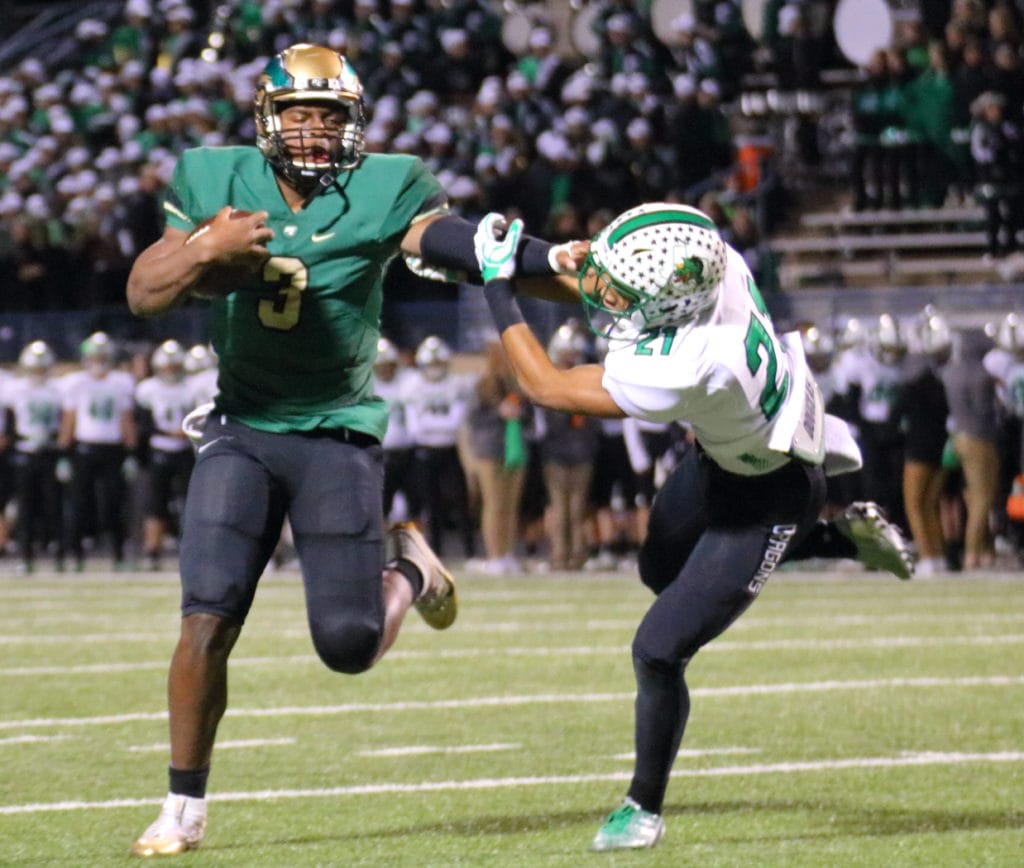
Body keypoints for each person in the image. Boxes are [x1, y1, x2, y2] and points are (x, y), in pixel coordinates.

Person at [124, 43, 576, 858]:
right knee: (206, 616)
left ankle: (411, 569)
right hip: (242, 427)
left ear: (353, 123)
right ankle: (182, 808)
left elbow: (465, 248)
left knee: (349, 645)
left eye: (329, 114)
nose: (312, 129)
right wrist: (201, 252)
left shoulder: (388, 185)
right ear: (266, 117)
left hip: (336, 430)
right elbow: (143, 291)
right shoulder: (212, 176)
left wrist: (560, 263)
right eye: (297, 111)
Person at [471, 202, 915, 851]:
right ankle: (836, 536)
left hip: (773, 495)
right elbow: (609, 284)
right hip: (723, 462)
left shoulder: (687, 364)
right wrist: (549, 257)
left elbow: (548, 386)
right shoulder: (716, 268)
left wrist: (495, 285)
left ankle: (641, 807)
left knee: (657, 649)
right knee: (657, 570)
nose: (607, 290)